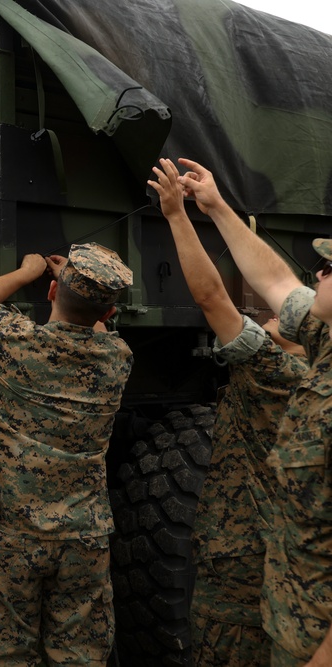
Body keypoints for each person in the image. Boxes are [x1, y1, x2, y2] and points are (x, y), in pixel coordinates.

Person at [150, 158, 307, 665]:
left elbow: (211, 295)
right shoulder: (319, 362)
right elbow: (281, 283)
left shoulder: (271, 371)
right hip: (298, 572)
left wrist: (177, 214)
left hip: (240, 567)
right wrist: (215, 206)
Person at [0, 243, 133, 664]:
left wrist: (28, 271)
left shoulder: (13, 341)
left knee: (6, 654)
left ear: (51, 292)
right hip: (84, 537)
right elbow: (95, 330)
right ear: (109, 316)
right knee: (80, 656)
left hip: (13, 533)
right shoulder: (119, 360)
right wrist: (83, 294)